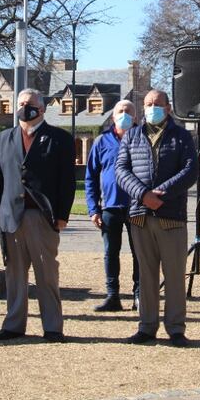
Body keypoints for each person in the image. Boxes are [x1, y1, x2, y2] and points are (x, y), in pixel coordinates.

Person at [0, 88, 75, 342]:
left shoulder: (59, 139)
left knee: (46, 273)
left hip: (42, 216)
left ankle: (52, 327)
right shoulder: (4, 138)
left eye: (30, 104)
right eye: (21, 103)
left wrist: (62, 215)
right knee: (14, 275)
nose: (25, 107)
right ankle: (14, 325)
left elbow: (66, 181)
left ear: (42, 108)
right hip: (10, 217)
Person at [116, 89, 197, 347]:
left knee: (174, 275)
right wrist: (142, 195)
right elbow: (121, 170)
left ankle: (175, 328)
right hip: (140, 215)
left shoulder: (182, 136)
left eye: (157, 104)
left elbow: (190, 170)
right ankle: (146, 327)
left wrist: (163, 193)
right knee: (146, 275)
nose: (152, 108)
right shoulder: (131, 136)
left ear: (168, 108)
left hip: (171, 214)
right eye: (148, 104)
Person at [84, 99, 140, 312]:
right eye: (120, 111)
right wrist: (93, 208)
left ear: (135, 117)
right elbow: (90, 177)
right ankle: (112, 296)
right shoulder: (101, 141)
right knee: (110, 252)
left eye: (128, 111)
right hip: (110, 207)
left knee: (140, 253)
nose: (124, 114)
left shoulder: (142, 138)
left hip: (137, 206)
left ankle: (139, 295)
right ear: (113, 115)